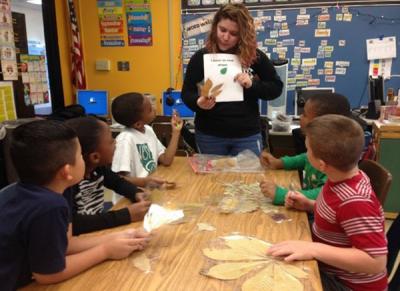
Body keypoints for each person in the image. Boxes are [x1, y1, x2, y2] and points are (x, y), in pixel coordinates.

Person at [0, 120, 150, 291]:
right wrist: (105, 251)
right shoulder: (50, 206)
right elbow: (47, 274)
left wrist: (121, 236)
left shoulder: (41, 190)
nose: (83, 158)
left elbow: (65, 244)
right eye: (80, 155)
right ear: (66, 171)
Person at [267, 115, 387, 291]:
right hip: (330, 266)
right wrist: (310, 204)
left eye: (307, 150)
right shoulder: (340, 177)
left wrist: (314, 249)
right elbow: (339, 217)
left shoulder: (355, 201)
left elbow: (375, 262)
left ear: (321, 165)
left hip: (348, 284)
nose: (306, 153)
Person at [181, 3, 283, 156]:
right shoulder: (201, 57)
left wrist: (252, 85)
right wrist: (198, 102)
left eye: (234, 33)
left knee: (248, 179)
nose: (225, 37)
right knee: (211, 180)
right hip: (210, 135)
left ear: (243, 34)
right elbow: (187, 93)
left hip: (246, 135)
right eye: (222, 30)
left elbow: (276, 88)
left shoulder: (255, 57)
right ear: (215, 27)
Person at [64, 116, 152, 235]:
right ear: (95, 157)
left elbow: (117, 182)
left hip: (96, 231)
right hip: (81, 240)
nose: (115, 142)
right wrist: (126, 215)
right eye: (111, 140)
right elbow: (75, 224)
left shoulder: (98, 169)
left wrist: (136, 193)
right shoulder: (68, 184)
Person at [260, 93, 351, 205]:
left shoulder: (334, 158)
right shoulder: (320, 147)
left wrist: (281, 194)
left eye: (304, 114)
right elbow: (306, 158)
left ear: (321, 123)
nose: (300, 118)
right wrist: (280, 163)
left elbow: (326, 194)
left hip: (315, 214)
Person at [111, 92, 182, 182]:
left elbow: (166, 160)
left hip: (150, 189)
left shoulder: (148, 130)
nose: (155, 109)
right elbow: (119, 180)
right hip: (134, 194)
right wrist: (146, 182)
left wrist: (176, 132)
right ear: (138, 124)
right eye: (150, 110)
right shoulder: (125, 140)